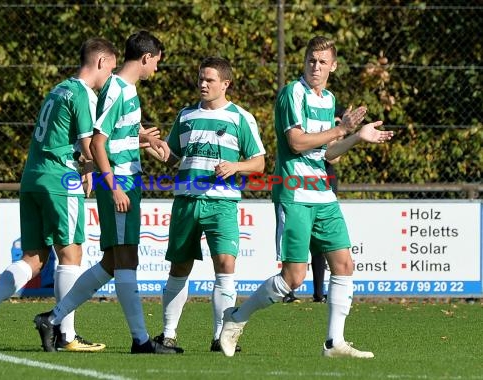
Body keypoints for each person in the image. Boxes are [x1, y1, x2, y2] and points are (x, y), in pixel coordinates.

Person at [220, 36, 394, 358]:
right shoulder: (291, 94)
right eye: (311, 60)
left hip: (322, 193)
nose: (316, 67)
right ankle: (235, 318)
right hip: (295, 192)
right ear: (304, 62)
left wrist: (356, 136)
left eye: (322, 62)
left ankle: (334, 343)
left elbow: (330, 153)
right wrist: (342, 130)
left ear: (333, 66)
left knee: (344, 264)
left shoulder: (328, 99)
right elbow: (297, 142)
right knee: (293, 278)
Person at [0, 37, 119, 352]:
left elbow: (68, 139)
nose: (109, 80)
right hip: (60, 180)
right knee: (71, 253)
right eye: (111, 71)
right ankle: (66, 335)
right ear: (101, 62)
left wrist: (87, 168)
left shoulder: (58, 89)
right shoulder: (83, 95)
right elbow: (90, 147)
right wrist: (130, 146)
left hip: (32, 177)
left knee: (33, 259)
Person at [34, 31, 179, 354]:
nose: (156, 68)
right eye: (156, 61)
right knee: (126, 260)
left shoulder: (123, 90)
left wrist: (145, 139)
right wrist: (113, 187)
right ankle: (140, 340)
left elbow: (113, 136)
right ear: (145, 58)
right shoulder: (118, 90)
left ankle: (53, 318)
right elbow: (98, 142)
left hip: (126, 181)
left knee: (115, 262)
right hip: (122, 183)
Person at [151, 57, 265, 353]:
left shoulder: (241, 117)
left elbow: (259, 162)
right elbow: (171, 156)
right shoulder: (186, 115)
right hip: (187, 202)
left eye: (209, 80)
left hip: (222, 204)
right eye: (201, 78)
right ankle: (168, 334)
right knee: (179, 268)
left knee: (225, 266)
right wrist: (146, 144)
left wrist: (236, 166)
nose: (203, 84)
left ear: (225, 84)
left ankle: (220, 337)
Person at [282, 105, 344, 304]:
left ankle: (319, 293)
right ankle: (288, 291)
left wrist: (339, 131)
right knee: (297, 241)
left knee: (321, 244)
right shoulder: (303, 117)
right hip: (299, 184)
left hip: (324, 185)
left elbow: (334, 157)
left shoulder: (334, 115)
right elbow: (298, 143)